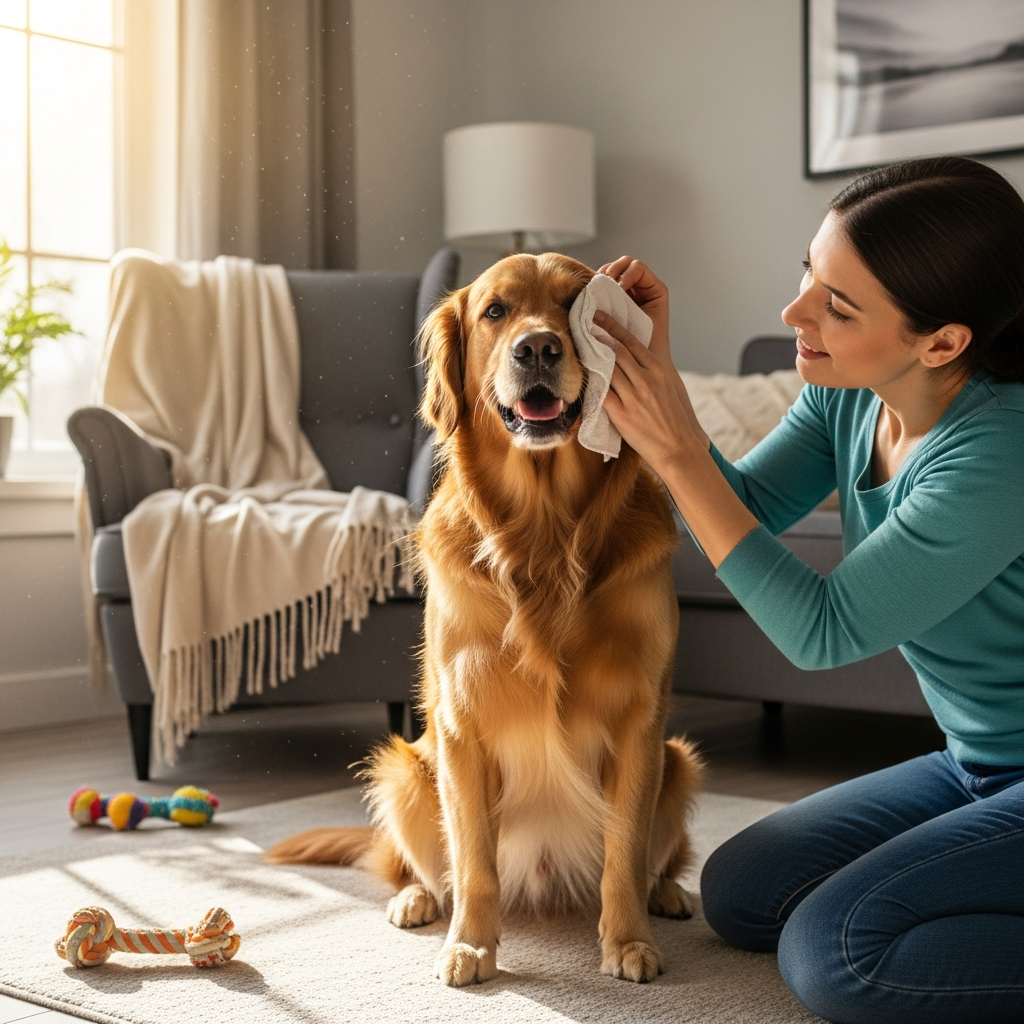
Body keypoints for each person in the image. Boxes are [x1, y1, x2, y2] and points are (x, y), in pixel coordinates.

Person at [596, 156, 1024, 1024]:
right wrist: (660, 377)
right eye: (808, 274)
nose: (795, 314)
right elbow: (741, 506)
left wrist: (676, 450)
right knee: (741, 892)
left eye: (839, 306)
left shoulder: (996, 456)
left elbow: (819, 631)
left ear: (942, 343)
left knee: (839, 956)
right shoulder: (851, 397)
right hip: (976, 763)